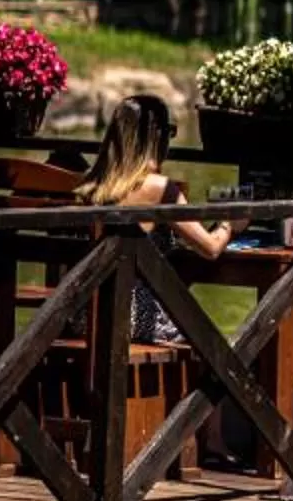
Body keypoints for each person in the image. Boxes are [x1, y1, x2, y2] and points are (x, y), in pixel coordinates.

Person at [78, 95, 235, 343]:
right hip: (129, 317)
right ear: (156, 137)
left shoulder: (91, 181)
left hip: (83, 314)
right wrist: (230, 224)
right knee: (220, 345)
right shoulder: (159, 188)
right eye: (169, 132)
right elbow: (210, 248)